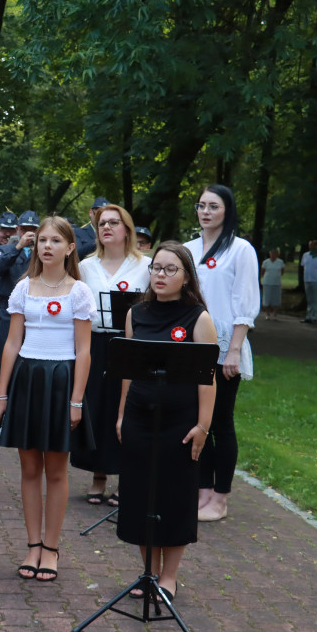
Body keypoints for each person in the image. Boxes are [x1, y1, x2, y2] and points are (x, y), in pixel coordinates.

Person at [116, 241, 218, 602]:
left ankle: (169, 577)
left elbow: (208, 378)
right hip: (140, 417)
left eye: (169, 269)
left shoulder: (198, 318)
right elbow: (127, 370)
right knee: (141, 494)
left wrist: (203, 426)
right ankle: (148, 573)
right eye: (156, 268)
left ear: (186, 276)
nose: (160, 275)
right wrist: (121, 413)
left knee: (173, 496)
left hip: (180, 422)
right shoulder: (136, 314)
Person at [0, 216, 95, 581]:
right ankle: (32, 545)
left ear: (70, 248)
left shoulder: (79, 292)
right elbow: (11, 343)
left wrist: (77, 399)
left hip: (61, 380)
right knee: (29, 469)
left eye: (55, 240)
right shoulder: (23, 288)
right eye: (42, 241)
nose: (47, 246)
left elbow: (84, 351)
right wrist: (2, 393)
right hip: (28, 379)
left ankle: (51, 548)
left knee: (56, 470)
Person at [184, 184, 259, 522]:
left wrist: (234, 350)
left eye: (213, 206)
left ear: (227, 211)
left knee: (220, 423)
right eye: (201, 205)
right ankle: (201, 492)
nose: (205, 212)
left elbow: (245, 303)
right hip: (189, 346)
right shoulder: (186, 249)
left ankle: (220, 498)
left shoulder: (240, 250)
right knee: (196, 421)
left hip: (224, 349)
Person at [70, 205, 149, 507]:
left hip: (132, 344)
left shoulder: (146, 265)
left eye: (114, 223)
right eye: (102, 223)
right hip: (96, 344)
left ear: (127, 229)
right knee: (98, 408)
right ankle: (97, 476)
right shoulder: (86, 266)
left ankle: (125, 478)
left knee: (127, 409)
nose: (106, 228)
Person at [0, 211, 19, 384]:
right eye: (3, 229)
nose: (7, 234)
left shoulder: (20, 247)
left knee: (4, 344)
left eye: (11, 230)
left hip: (7, 305)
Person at [299, 240, 317, 324]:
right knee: (310, 299)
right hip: (307, 279)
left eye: (314, 245)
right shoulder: (305, 255)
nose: (312, 247)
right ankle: (309, 316)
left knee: (316, 299)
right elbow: (304, 266)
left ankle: (315, 316)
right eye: (310, 245)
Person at [260, 248, 285, 320]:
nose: (273, 254)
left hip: (277, 283)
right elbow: (262, 272)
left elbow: (282, 271)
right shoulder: (266, 262)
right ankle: (267, 314)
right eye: (272, 253)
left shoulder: (280, 262)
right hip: (267, 282)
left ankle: (275, 314)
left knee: (276, 299)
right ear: (269, 254)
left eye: (275, 253)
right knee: (267, 299)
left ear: (277, 254)